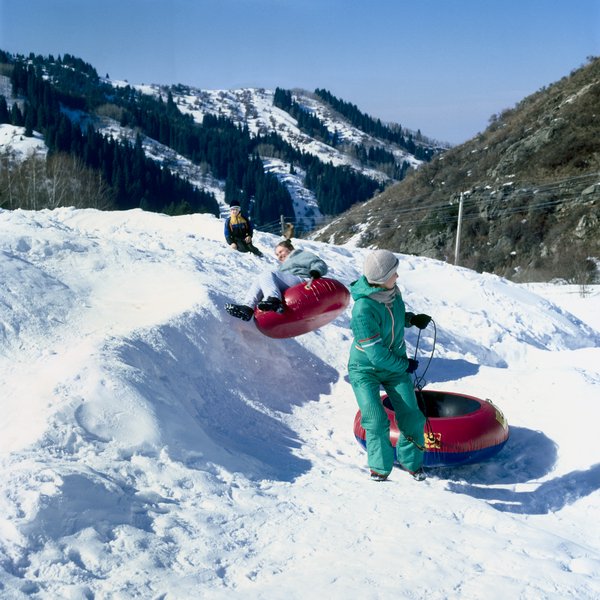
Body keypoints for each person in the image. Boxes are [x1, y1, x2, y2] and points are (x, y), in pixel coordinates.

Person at [348, 249, 432, 482]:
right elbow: (377, 356)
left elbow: (394, 316)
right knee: (375, 420)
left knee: (413, 417)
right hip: (366, 369)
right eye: (394, 272)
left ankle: (412, 463)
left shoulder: (392, 292)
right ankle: (380, 468)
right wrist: (404, 365)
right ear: (383, 278)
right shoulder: (363, 310)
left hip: (394, 366)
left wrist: (411, 319)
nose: (398, 276)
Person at [225, 239, 328, 320]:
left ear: (290, 248)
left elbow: (319, 263)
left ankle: (274, 300)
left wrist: (316, 271)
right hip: (290, 283)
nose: (279, 256)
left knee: (268, 273)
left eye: (281, 251)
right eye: (277, 255)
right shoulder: (284, 266)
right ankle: (247, 308)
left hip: (303, 280)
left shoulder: (301, 255)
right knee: (260, 278)